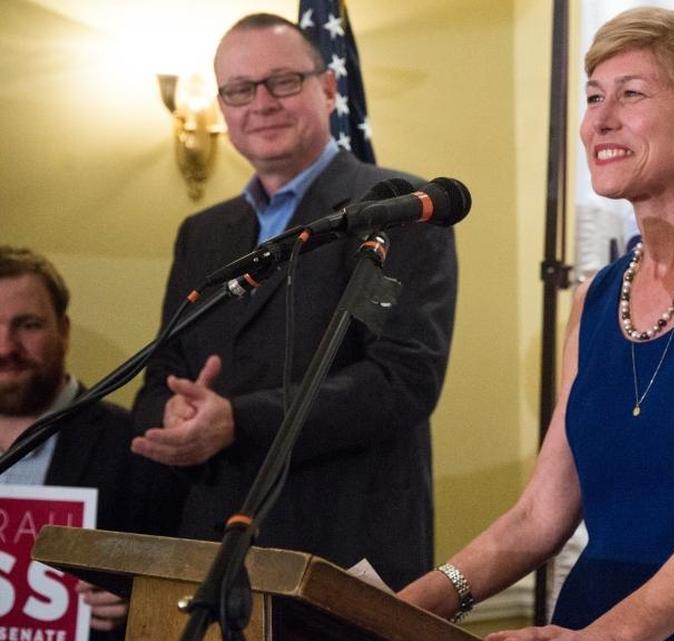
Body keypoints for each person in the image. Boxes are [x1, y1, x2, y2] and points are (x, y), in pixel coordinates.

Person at [398, 7, 674, 640]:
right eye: (593, 97)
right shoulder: (596, 297)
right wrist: (410, 604)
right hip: (589, 614)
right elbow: (540, 516)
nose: (599, 121)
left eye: (631, 94)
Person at [130, 13, 457, 590]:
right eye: (239, 89)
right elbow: (162, 375)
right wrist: (175, 414)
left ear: (328, 88)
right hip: (213, 545)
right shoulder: (202, 232)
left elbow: (403, 380)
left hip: (342, 547)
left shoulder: (399, 208)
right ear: (223, 106)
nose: (261, 103)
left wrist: (237, 421)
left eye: (282, 81)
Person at [0, 246, 175, 637]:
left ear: (64, 330)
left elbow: (182, 592)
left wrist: (137, 602)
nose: (6, 347)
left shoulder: (138, 447)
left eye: (28, 325)